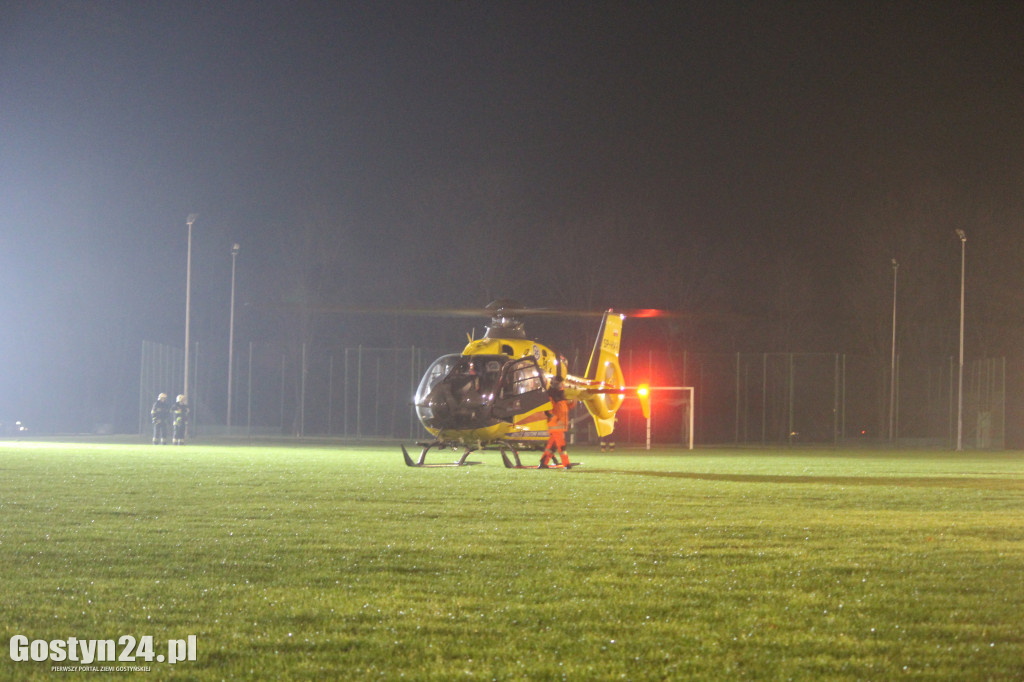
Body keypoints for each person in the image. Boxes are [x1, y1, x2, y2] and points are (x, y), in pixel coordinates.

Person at [539, 379, 572, 468]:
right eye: (561, 383)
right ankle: (566, 464)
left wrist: (574, 399)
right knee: (561, 446)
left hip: (559, 426)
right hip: (556, 426)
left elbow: (568, 407)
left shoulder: (560, 396)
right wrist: (557, 420)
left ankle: (543, 462)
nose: (562, 385)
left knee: (551, 447)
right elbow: (548, 412)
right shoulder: (551, 397)